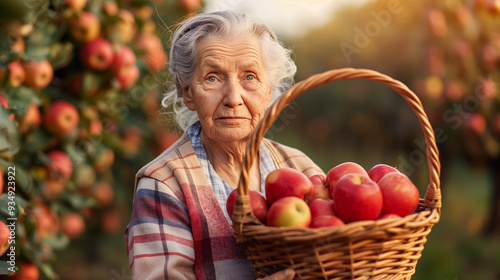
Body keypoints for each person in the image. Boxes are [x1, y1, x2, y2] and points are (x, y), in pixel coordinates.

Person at [125, 10, 324, 280]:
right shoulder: (164, 184)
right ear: (188, 93)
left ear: (269, 90)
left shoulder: (300, 168)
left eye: (250, 77)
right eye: (212, 77)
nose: (233, 98)